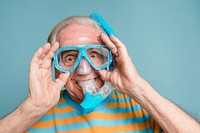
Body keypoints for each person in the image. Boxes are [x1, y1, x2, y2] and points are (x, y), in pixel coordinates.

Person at [0, 14, 200, 133]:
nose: (83, 69)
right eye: (70, 58)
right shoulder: (32, 117)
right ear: (54, 65)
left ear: (111, 58)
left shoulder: (142, 108)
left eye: (94, 54)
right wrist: (31, 109)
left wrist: (138, 89)